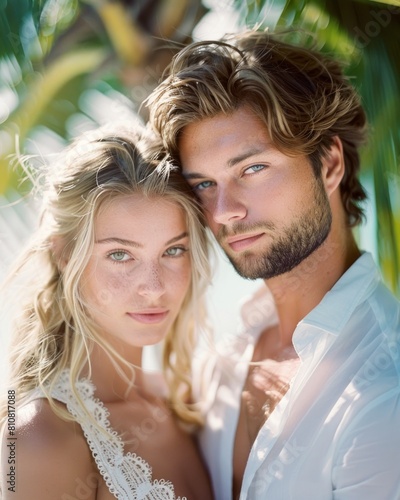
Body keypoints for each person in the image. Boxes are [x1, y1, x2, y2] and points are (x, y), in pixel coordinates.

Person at [147, 30, 400, 499]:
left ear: (328, 163)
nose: (224, 211)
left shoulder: (386, 392)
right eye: (204, 184)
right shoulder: (225, 357)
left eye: (252, 169)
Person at [0, 124, 214, 499]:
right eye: (120, 255)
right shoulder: (40, 436)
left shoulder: (188, 404)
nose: (154, 286)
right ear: (64, 254)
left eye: (173, 251)